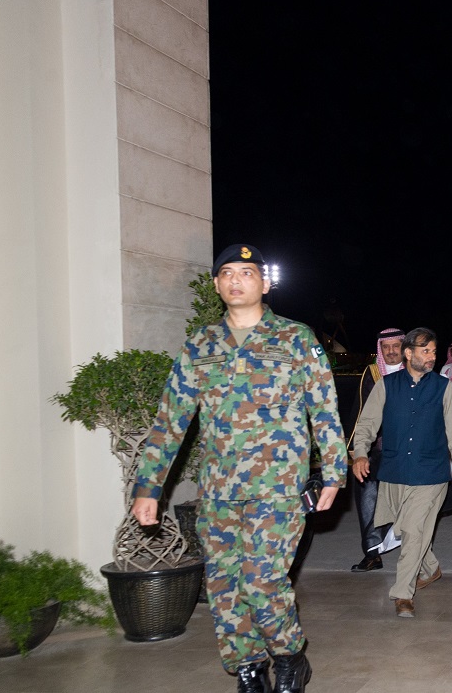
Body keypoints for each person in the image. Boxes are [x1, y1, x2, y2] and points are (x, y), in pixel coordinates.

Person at [132, 243, 346, 693]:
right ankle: (247, 667)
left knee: (262, 580)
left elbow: (323, 409)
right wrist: (148, 486)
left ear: (265, 284)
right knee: (225, 584)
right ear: (216, 285)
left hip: (278, 488)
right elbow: (171, 419)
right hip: (219, 489)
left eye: (246, 273)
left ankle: (289, 656)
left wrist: (333, 472)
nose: (235, 280)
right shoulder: (201, 344)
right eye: (226, 273)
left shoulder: (295, 338)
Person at [350, 328, 452, 618]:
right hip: (394, 470)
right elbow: (366, 424)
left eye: (433, 351)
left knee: (414, 530)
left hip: (431, 472)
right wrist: (361, 453)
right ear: (409, 353)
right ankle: (430, 567)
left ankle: (403, 593)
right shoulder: (387, 385)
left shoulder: (443, 387)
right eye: (425, 351)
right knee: (404, 529)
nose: (432, 356)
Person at [350, 327, 406, 573]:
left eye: (396, 346)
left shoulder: (416, 371)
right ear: (380, 349)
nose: (392, 351)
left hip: (407, 449)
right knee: (367, 499)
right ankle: (372, 553)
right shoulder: (371, 374)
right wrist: (355, 449)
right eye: (387, 347)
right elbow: (360, 410)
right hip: (376, 448)